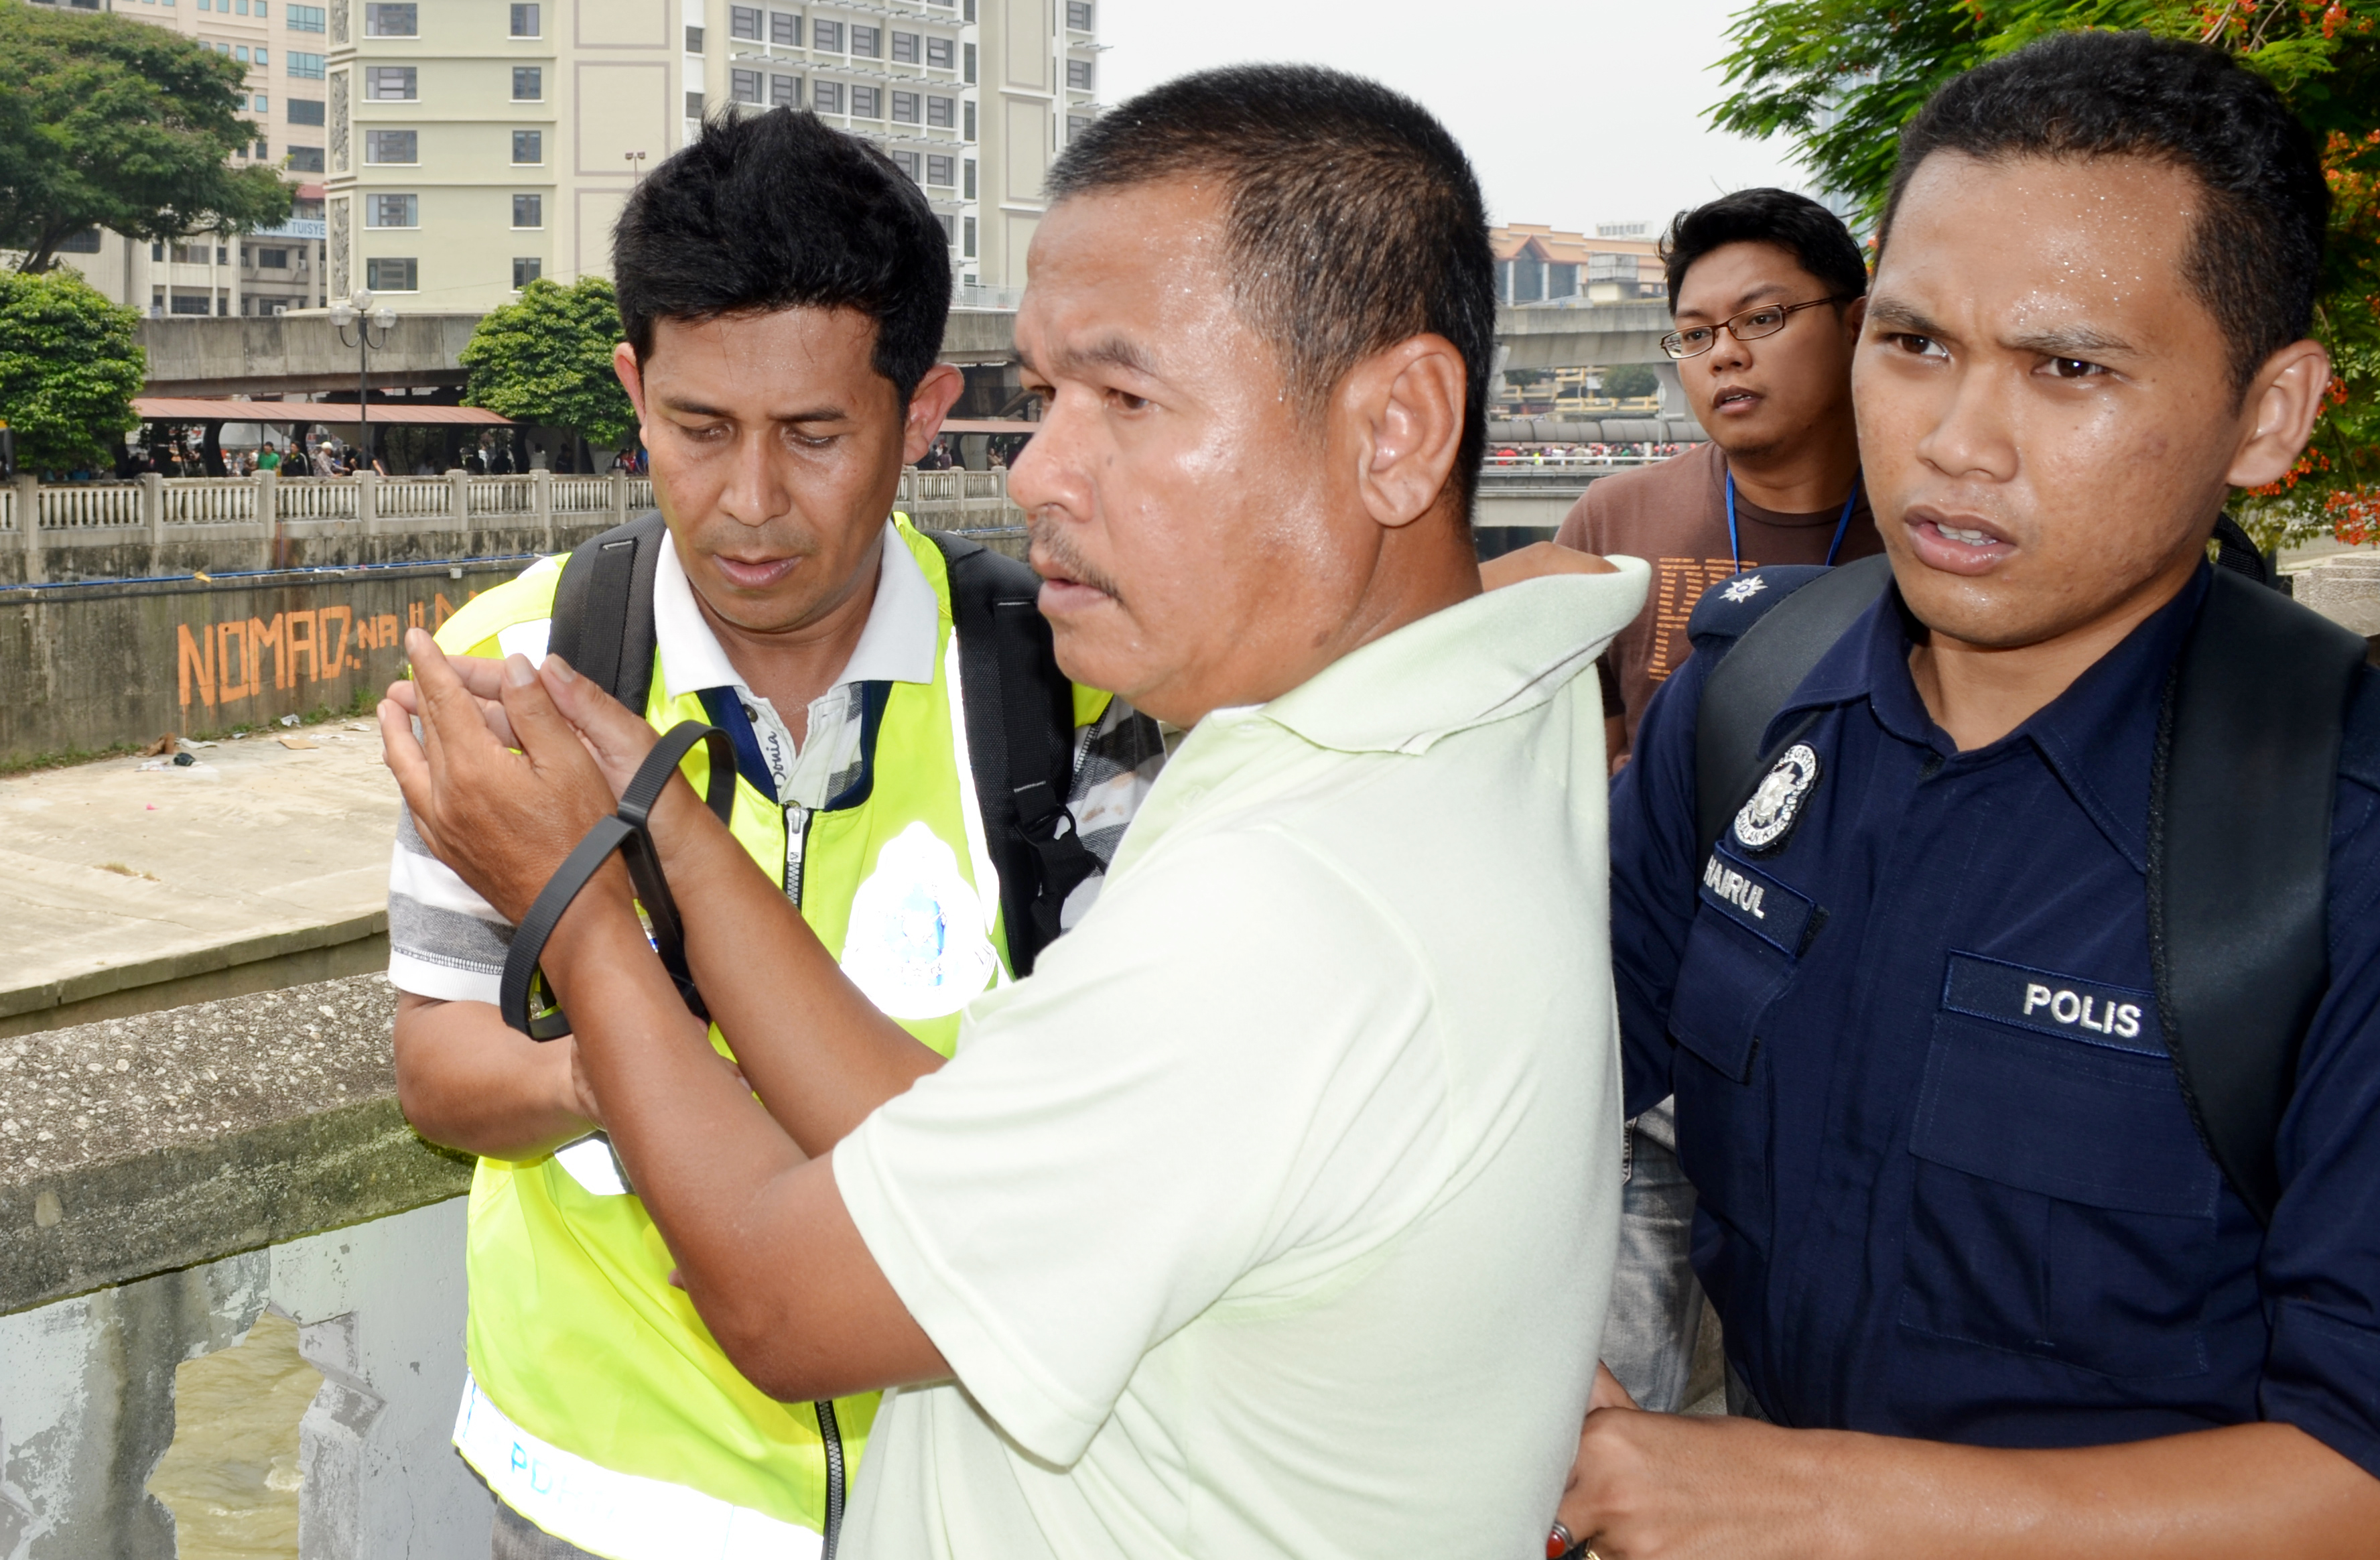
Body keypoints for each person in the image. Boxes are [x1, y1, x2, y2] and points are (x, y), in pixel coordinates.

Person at [386, 64, 1642, 1560]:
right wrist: (666, 825)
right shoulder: (1482, 720)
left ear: (1398, 429)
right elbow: (959, 1141)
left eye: (1125, 396)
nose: (1039, 470)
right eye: (1048, 399)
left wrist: (587, 908)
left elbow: (792, 1302)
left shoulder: (1266, 893)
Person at [1553, 31, 2380, 1557]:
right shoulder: (1742, 706)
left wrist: (1794, 1499)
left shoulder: (2333, 838)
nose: (1952, 441)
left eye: (2067, 367)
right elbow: (1529, 1083)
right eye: (1915, 342)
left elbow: (2355, 1470)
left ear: (2267, 416)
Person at [385, 108, 1168, 1560]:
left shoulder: (1070, 688)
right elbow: (437, 1066)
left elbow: (1116, 1141)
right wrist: (642, 1083)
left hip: (966, 1501)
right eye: (697, 428)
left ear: (923, 412)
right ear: (633, 390)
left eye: (814, 436)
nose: (749, 503)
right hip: (595, 1498)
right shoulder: (520, 667)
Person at [1490, 189, 1881, 770]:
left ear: (1856, 325)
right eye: (1697, 335)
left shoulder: (1933, 522)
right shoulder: (1614, 519)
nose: (1723, 355)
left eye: (1761, 319)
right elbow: (1584, 771)